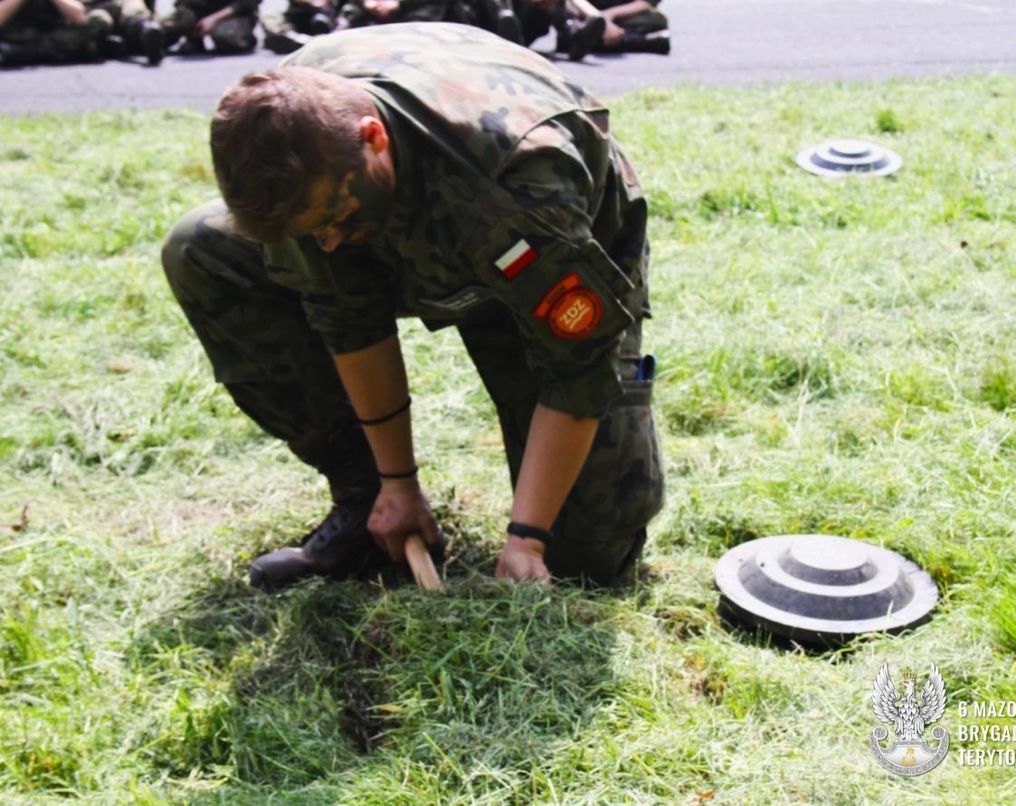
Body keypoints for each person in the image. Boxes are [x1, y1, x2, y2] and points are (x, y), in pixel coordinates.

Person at [161, 22, 664, 589]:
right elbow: (346, 317)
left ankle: (560, 531)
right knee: (200, 248)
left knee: (588, 560)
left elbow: (577, 370)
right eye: (313, 232)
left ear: (372, 137)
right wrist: (395, 482)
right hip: (406, 215)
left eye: (333, 221)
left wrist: (527, 538)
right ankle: (366, 503)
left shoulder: (517, 181)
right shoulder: (303, 148)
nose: (325, 244)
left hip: (540, 249)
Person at [0, 0, 106, 65]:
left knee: (99, 20)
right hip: (16, 35)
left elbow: (80, 17)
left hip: (52, 34)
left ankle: (18, 54)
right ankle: (77, 50)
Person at [159, 0, 258, 55]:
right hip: (202, 9)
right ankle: (150, 42)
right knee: (178, 25)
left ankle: (245, 38)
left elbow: (248, 3)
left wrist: (214, 19)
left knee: (225, 37)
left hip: (233, 13)